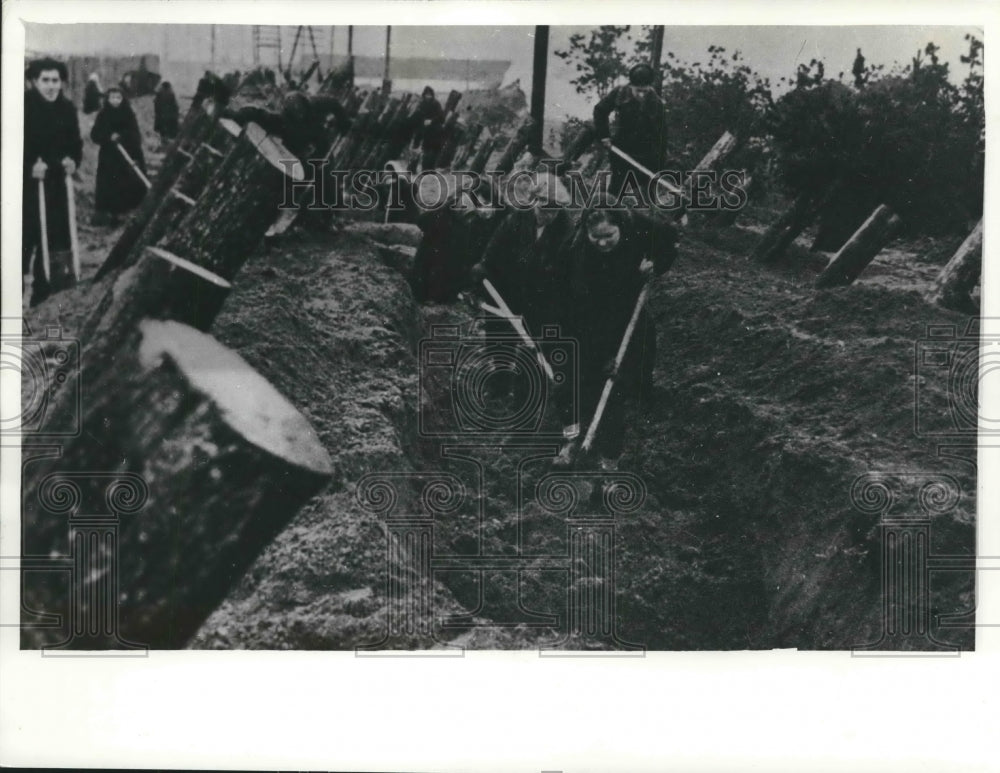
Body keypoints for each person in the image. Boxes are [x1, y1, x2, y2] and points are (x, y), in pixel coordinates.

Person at [553, 202, 679, 471]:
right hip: (584, 315)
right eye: (595, 237)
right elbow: (579, 308)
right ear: (585, 233)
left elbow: (669, 239)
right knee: (569, 382)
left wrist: (656, 265)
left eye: (608, 236)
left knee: (617, 385)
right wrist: (600, 354)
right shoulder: (576, 254)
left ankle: (612, 456)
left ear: (620, 227)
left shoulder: (638, 224)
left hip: (626, 304)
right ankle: (571, 439)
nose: (601, 243)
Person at [470, 172, 575, 335]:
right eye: (543, 210)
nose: (548, 216)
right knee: (499, 330)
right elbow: (494, 250)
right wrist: (482, 275)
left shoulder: (565, 228)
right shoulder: (518, 217)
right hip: (510, 282)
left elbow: (561, 269)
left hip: (539, 291)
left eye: (553, 211)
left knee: (532, 337)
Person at [23, 57, 83, 307]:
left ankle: (44, 296)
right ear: (34, 82)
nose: (51, 86)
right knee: (24, 241)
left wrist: (73, 161)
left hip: (57, 183)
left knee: (55, 238)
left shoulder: (67, 109)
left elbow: (75, 144)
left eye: (55, 80)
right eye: (45, 80)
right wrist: (28, 167)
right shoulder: (22, 107)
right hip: (27, 186)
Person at [593, 62, 669, 204]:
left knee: (645, 197)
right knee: (616, 191)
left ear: (650, 87)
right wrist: (604, 136)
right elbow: (600, 110)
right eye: (638, 90)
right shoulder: (620, 93)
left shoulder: (657, 104)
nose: (641, 94)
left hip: (645, 157)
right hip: (620, 151)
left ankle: (646, 223)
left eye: (645, 91)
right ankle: (608, 218)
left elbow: (662, 136)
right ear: (631, 86)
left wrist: (659, 164)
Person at [90, 86, 147, 225]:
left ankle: (122, 213)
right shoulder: (103, 115)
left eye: (118, 98)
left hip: (125, 156)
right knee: (108, 184)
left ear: (123, 99)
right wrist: (108, 137)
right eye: (112, 98)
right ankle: (106, 213)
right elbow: (95, 134)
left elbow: (135, 134)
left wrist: (122, 137)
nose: (115, 101)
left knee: (124, 184)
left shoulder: (128, 114)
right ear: (107, 99)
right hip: (108, 157)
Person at [408, 86, 446, 170]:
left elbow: (441, 117)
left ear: (432, 95)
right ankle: (412, 168)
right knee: (415, 149)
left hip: (433, 132)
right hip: (421, 130)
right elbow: (416, 116)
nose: (428, 96)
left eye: (430, 95)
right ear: (424, 95)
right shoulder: (421, 104)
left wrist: (431, 121)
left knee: (429, 152)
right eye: (426, 95)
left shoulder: (436, 104)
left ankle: (427, 169)